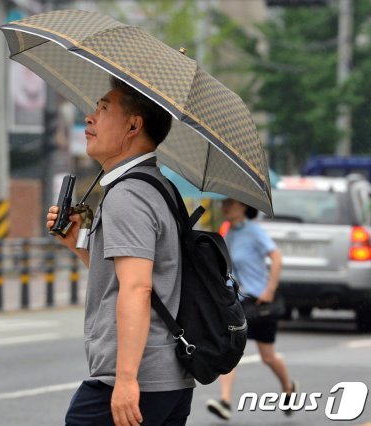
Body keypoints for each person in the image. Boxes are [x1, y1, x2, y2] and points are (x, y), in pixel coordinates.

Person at [47, 77, 195, 426]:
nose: (89, 117)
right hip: (169, 380)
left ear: (133, 125)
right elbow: (133, 276)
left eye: (103, 108)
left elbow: (137, 288)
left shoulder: (127, 196)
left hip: (136, 380)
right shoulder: (159, 187)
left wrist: (126, 380)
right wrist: (78, 244)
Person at [206, 198, 298, 421]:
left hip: (259, 302)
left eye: (230, 203)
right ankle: (225, 401)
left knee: (267, 356)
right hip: (238, 302)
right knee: (228, 348)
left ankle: (288, 386)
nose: (224, 206)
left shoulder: (254, 231)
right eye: (224, 203)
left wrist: (270, 289)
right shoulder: (229, 233)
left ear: (243, 207)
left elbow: (276, 257)